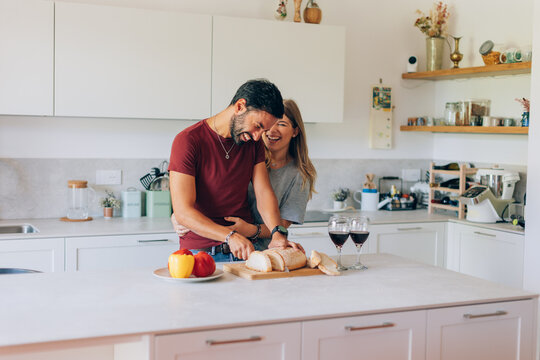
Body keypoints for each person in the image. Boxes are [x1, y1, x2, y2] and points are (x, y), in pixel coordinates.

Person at [168, 79, 303, 262]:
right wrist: (229, 235)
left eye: (263, 130)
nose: (258, 136)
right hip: (200, 253)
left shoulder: (252, 145)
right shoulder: (188, 141)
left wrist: (277, 234)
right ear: (240, 106)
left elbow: (263, 193)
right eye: (257, 126)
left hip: (244, 252)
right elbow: (183, 212)